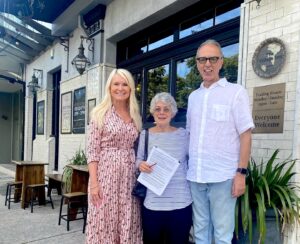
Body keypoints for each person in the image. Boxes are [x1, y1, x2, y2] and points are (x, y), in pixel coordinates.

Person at [186, 39, 254, 244]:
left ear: (221, 62)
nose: (207, 64)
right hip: (196, 176)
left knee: (223, 235)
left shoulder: (236, 92)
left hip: (223, 177)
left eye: (213, 59)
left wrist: (241, 174)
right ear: (197, 63)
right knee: (200, 232)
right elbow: (189, 134)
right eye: (202, 59)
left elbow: (246, 135)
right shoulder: (193, 97)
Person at [85, 68, 143, 244]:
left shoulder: (134, 115)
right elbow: (92, 151)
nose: (120, 88)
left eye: (125, 84)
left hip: (128, 178)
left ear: (130, 88)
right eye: (116, 84)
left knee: (128, 219)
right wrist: (94, 184)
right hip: (105, 177)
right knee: (103, 220)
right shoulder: (99, 114)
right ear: (109, 87)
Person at [137, 92, 193, 244]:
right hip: (153, 204)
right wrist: (141, 165)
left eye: (166, 109)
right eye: (158, 109)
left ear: (173, 112)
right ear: (152, 112)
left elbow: (193, 161)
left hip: (181, 203)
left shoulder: (184, 135)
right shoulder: (145, 135)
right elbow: (138, 160)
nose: (162, 113)